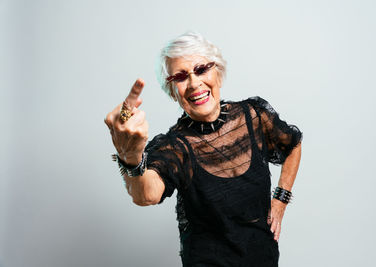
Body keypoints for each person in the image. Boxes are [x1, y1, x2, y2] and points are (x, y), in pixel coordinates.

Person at [104, 31, 303, 267]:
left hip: (263, 258)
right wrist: (131, 157)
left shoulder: (254, 116)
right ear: (172, 90)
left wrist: (280, 200)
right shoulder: (175, 145)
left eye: (201, 69)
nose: (194, 83)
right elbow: (146, 195)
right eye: (180, 77)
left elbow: (292, 144)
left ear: (217, 71)